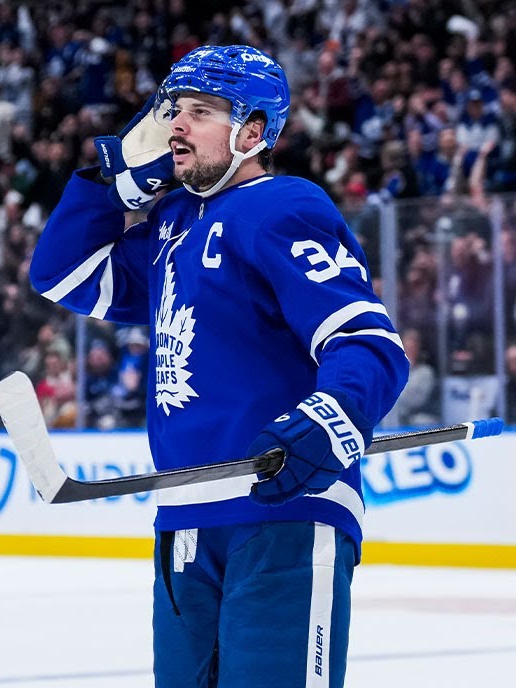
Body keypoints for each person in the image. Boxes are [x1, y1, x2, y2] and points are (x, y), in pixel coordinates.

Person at [29, 45, 409, 687]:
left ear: (252, 131)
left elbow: (368, 340)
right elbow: (61, 274)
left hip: (283, 511)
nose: (175, 125)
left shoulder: (283, 207)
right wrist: (113, 179)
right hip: (184, 516)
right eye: (173, 110)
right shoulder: (172, 222)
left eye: (200, 112)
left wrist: (334, 417)